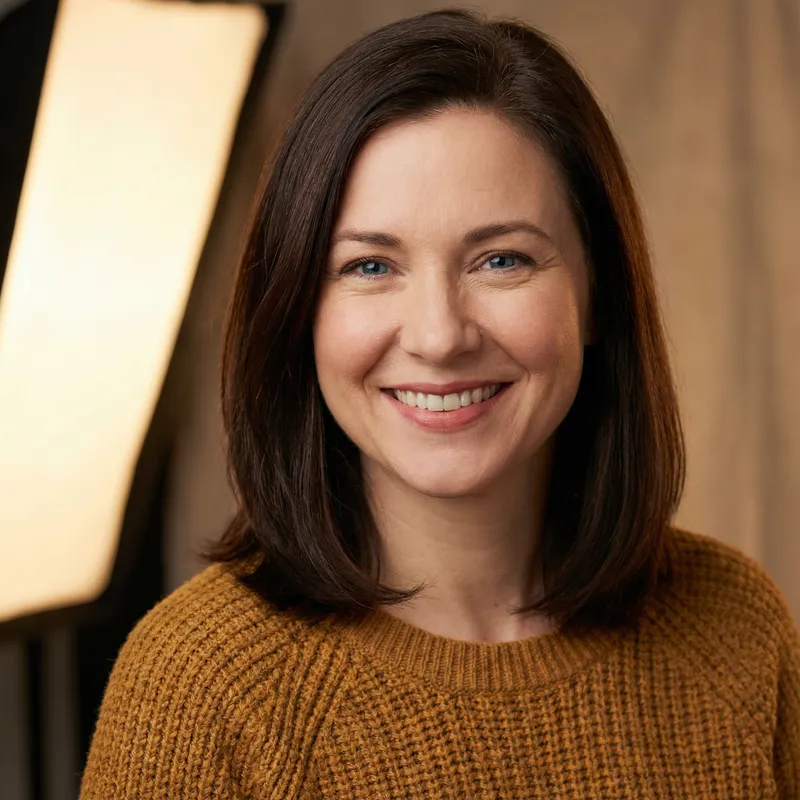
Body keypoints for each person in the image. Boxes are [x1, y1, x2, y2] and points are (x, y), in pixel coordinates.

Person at [80, 9, 800, 798]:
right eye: (368, 267)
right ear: (297, 311)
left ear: (597, 297)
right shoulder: (199, 687)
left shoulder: (737, 629)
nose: (438, 335)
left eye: (501, 259)